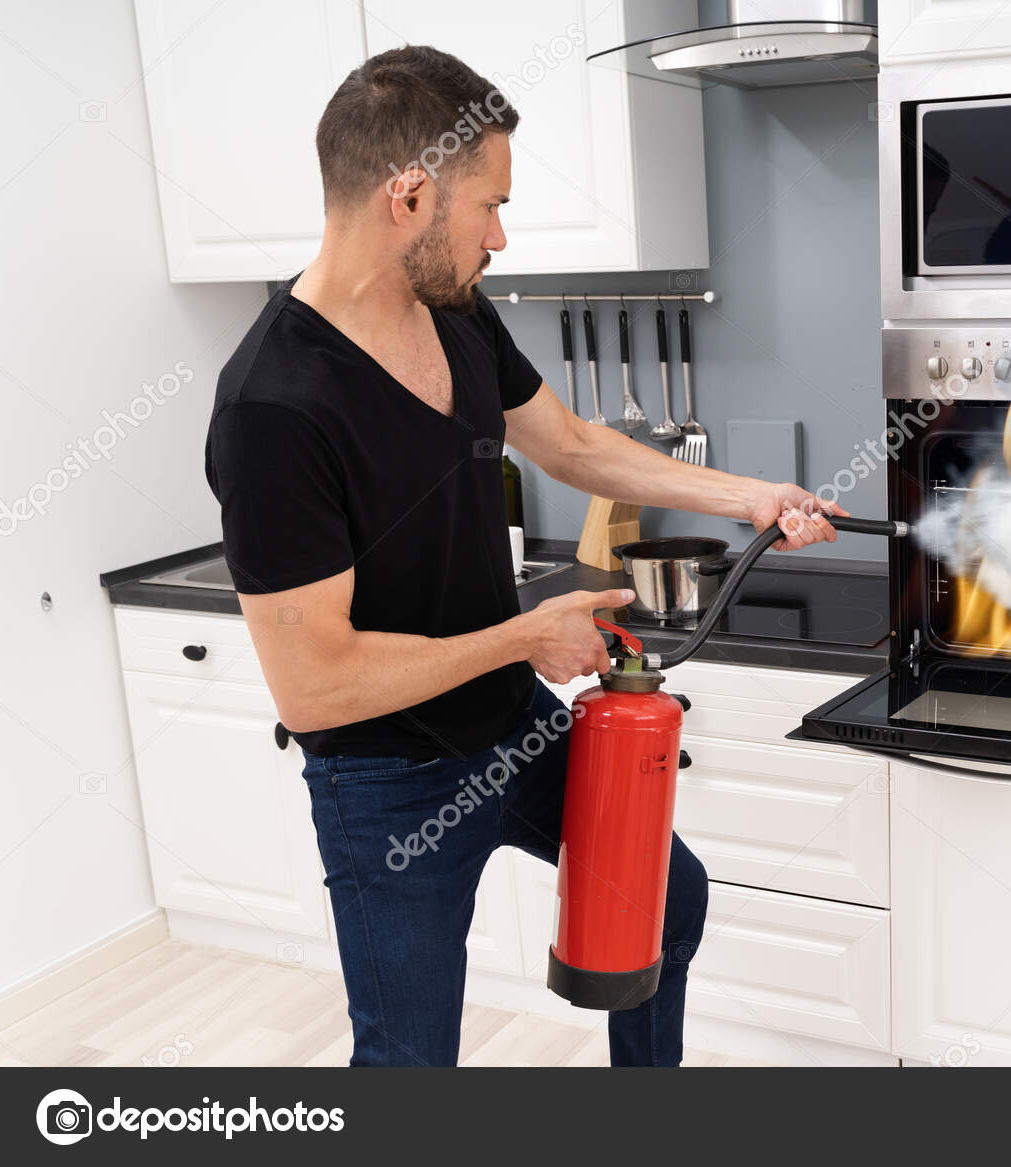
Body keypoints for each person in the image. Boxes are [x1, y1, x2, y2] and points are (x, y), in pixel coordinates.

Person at [203, 45, 845, 1067]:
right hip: (387, 780)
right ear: (408, 196)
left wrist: (752, 495)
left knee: (668, 903)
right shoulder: (274, 406)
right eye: (488, 207)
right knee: (409, 1062)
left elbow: (575, 447)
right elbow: (315, 687)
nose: (500, 237)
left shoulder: (454, 314)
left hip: (509, 728)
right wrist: (521, 636)